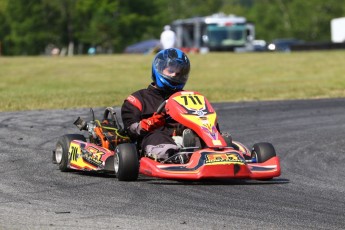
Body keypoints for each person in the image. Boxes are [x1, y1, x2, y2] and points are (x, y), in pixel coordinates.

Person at [121, 48, 190, 162]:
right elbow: (130, 131)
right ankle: (173, 156)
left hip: (184, 138)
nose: (175, 76)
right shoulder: (138, 99)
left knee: (196, 134)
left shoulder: (186, 98)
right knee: (156, 135)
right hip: (155, 140)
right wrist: (149, 123)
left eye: (178, 73)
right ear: (159, 70)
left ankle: (219, 150)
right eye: (171, 71)